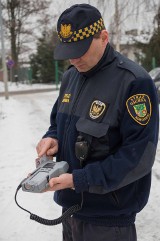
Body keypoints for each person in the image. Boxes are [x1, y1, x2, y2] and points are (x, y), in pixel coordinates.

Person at [36, 3, 159, 241]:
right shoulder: (71, 77)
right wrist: (52, 138)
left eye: (80, 50)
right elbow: (57, 123)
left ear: (103, 37)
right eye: (68, 51)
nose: (73, 59)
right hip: (70, 212)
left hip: (108, 222)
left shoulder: (134, 82)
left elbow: (138, 158)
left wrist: (80, 179)